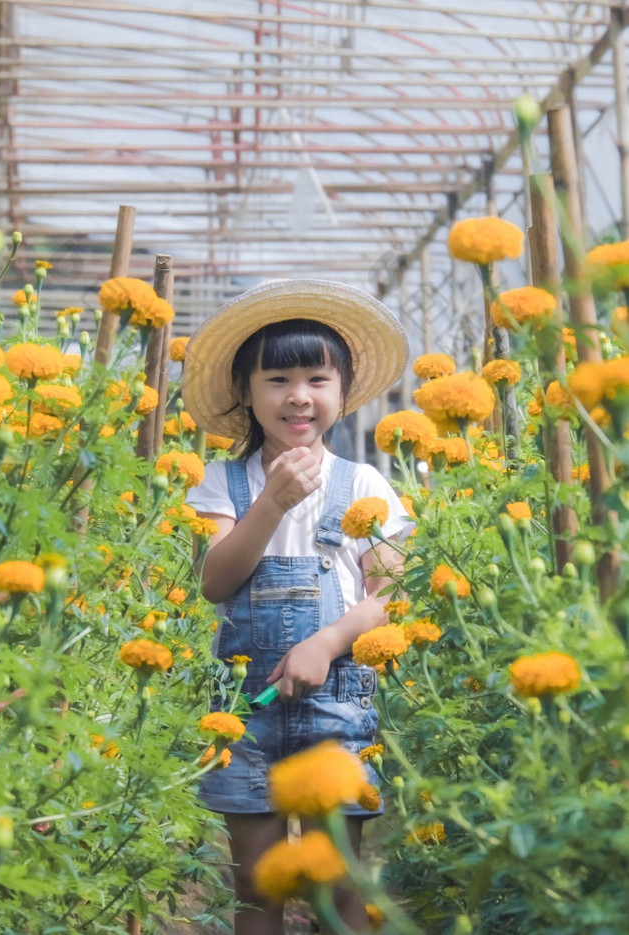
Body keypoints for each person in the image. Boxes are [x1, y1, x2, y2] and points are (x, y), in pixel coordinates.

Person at [182, 279, 414, 935]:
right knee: (254, 885)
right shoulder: (223, 481)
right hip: (243, 709)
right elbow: (216, 579)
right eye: (277, 377)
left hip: (336, 700)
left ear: (342, 391)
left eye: (316, 377)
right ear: (247, 392)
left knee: (336, 885)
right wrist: (273, 504)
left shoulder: (364, 483)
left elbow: (389, 596)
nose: (298, 395)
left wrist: (328, 641)